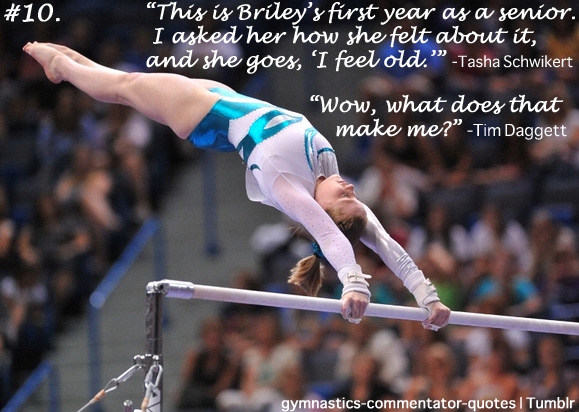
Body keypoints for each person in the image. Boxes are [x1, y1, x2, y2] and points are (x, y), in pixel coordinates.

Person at [22, 41, 450, 329]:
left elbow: (329, 236)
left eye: (345, 198)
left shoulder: (286, 186)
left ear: (324, 210)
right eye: (354, 195)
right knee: (124, 85)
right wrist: (426, 297)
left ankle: (60, 66)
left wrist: (354, 282)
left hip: (205, 114)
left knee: (125, 87)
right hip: (229, 101)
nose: (352, 190)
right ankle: (67, 61)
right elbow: (386, 244)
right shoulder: (329, 173)